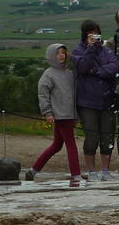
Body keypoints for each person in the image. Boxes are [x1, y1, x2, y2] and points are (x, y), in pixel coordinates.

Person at [71, 19, 119, 181]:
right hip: (87, 102)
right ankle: (91, 171)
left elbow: (114, 67)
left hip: (107, 100)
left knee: (107, 136)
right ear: (85, 35)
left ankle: (105, 171)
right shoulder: (78, 51)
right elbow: (83, 67)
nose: (94, 35)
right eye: (90, 32)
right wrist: (90, 50)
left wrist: (97, 71)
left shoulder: (106, 51)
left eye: (96, 31)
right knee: (91, 136)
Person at [30, 44, 82, 187]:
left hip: (70, 114)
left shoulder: (69, 73)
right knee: (71, 146)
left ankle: (33, 170)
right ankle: (76, 175)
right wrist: (47, 112)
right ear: (51, 55)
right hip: (60, 115)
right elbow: (43, 94)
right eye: (57, 53)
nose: (61, 55)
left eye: (63, 53)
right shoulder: (48, 74)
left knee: (56, 145)